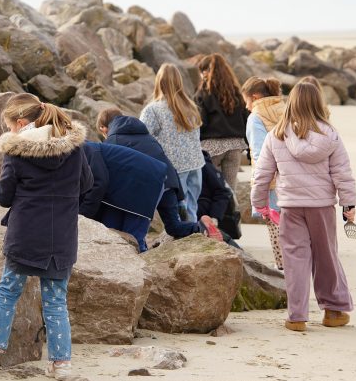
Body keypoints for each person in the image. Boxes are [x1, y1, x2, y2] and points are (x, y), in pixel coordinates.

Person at [0, 93, 92, 380]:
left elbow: (4, 196)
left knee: (8, 291)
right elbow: (87, 183)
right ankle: (61, 363)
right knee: (56, 299)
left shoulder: (17, 152)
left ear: (21, 122)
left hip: (25, 233)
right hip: (62, 235)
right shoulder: (73, 148)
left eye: (10, 126)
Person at [251, 80, 356, 331]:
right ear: (317, 103)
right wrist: (349, 203)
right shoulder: (330, 135)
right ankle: (333, 311)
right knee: (326, 256)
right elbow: (342, 172)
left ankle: (297, 316)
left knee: (295, 259)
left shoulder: (275, 135)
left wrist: (260, 205)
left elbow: (262, 175)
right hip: (321, 206)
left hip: (290, 206)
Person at [97, 107, 221, 241]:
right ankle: (200, 227)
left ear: (104, 128)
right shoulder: (146, 135)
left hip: (148, 186)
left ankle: (139, 250)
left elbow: (113, 175)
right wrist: (179, 197)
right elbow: (165, 160)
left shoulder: (113, 140)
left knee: (132, 231)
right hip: (168, 181)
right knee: (174, 227)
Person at [140, 63, 205, 220]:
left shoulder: (153, 110)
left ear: (158, 82)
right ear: (179, 82)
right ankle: (193, 236)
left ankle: (183, 240)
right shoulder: (190, 106)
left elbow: (142, 137)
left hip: (174, 167)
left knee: (176, 211)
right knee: (191, 209)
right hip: (195, 163)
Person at [79, 140, 168, 252]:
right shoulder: (83, 149)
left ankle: (139, 264)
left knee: (133, 236)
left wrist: (81, 217)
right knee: (110, 231)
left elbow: (99, 183)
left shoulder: (85, 149)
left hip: (144, 183)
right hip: (121, 190)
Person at [242, 76, 286, 270]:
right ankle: (298, 263)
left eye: (246, 102)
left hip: (271, 179)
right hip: (293, 176)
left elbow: (260, 153)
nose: (246, 107)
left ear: (254, 96)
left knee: (275, 224)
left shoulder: (256, 117)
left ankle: (283, 265)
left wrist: (260, 185)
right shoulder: (285, 109)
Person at [196, 54, 249, 201]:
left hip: (211, 147)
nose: (201, 75)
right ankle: (232, 222)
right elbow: (246, 118)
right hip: (235, 146)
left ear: (207, 71)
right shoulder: (236, 93)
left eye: (202, 71)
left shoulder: (203, 94)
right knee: (230, 190)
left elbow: (201, 122)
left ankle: (213, 221)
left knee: (209, 189)